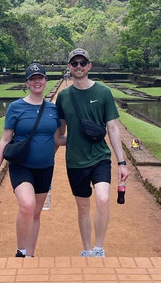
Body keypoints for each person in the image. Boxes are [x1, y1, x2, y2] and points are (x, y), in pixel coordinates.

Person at [56, 48, 129, 257]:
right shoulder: (63, 96)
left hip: (100, 157)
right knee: (83, 207)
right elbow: (59, 134)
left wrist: (121, 163)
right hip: (75, 161)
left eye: (82, 63)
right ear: (69, 67)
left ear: (89, 65)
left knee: (103, 199)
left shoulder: (103, 92)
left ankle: (99, 247)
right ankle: (87, 249)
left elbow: (112, 128)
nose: (78, 66)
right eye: (74, 63)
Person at [0, 63, 63, 258]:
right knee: (27, 205)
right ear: (27, 83)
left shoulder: (52, 109)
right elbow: (5, 139)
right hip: (21, 166)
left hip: (45, 168)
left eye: (40, 78)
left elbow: (57, 139)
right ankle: (21, 252)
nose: (37, 81)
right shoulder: (16, 107)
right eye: (32, 78)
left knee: (36, 213)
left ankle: (30, 255)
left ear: (45, 81)